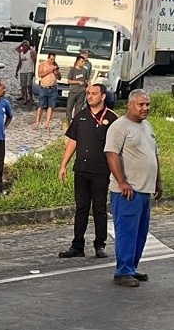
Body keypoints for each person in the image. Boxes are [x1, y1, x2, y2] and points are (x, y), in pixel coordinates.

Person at [104, 90, 162, 287]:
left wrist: (158, 180)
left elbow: (154, 155)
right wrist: (122, 182)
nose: (145, 108)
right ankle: (123, 271)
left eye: (147, 104)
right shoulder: (119, 127)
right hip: (128, 191)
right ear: (130, 105)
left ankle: (131, 267)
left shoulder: (147, 126)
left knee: (140, 232)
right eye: (141, 105)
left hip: (145, 189)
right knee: (127, 231)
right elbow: (112, 154)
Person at [58, 83, 118, 259]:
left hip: (101, 171)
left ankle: (100, 245)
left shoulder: (112, 119)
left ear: (103, 96)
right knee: (81, 208)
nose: (90, 96)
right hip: (82, 170)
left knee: (99, 208)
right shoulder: (81, 116)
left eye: (94, 93)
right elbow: (73, 142)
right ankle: (77, 245)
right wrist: (63, 165)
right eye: (88, 93)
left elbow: (117, 148)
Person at [34, 52, 60, 131]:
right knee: (41, 106)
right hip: (44, 88)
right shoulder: (42, 64)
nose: (52, 61)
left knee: (51, 106)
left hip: (53, 88)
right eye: (51, 59)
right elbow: (40, 74)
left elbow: (59, 78)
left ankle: (47, 123)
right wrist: (50, 70)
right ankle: (37, 123)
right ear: (48, 58)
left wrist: (56, 73)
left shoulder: (56, 65)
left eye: (53, 60)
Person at [65, 50, 92, 123]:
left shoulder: (84, 70)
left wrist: (88, 87)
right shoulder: (72, 70)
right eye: (82, 62)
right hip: (73, 91)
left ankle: (76, 122)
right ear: (78, 61)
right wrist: (77, 82)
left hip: (82, 91)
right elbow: (69, 81)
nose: (83, 63)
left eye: (84, 62)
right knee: (69, 107)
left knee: (78, 108)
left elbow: (88, 80)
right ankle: (68, 121)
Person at [14, 39, 36, 104]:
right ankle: (25, 99)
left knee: (29, 85)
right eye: (23, 46)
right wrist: (16, 71)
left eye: (25, 46)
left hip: (29, 71)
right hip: (22, 71)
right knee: (23, 86)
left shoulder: (31, 52)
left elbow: (34, 61)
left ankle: (31, 97)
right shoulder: (21, 53)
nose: (24, 47)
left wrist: (34, 70)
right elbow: (19, 63)